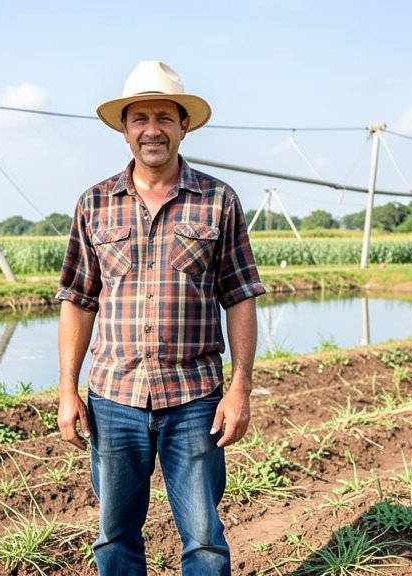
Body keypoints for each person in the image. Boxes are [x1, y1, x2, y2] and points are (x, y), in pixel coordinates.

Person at [56, 60, 266, 575]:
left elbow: (239, 296)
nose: (153, 129)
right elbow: (78, 299)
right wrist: (67, 388)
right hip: (114, 399)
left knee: (204, 539)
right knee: (114, 536)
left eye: (165, 118)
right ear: (125, 130)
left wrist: (239, 389)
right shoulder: (94, 204)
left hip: (193, 398)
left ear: (183, 125)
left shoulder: (218, 200)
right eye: (140, 118)